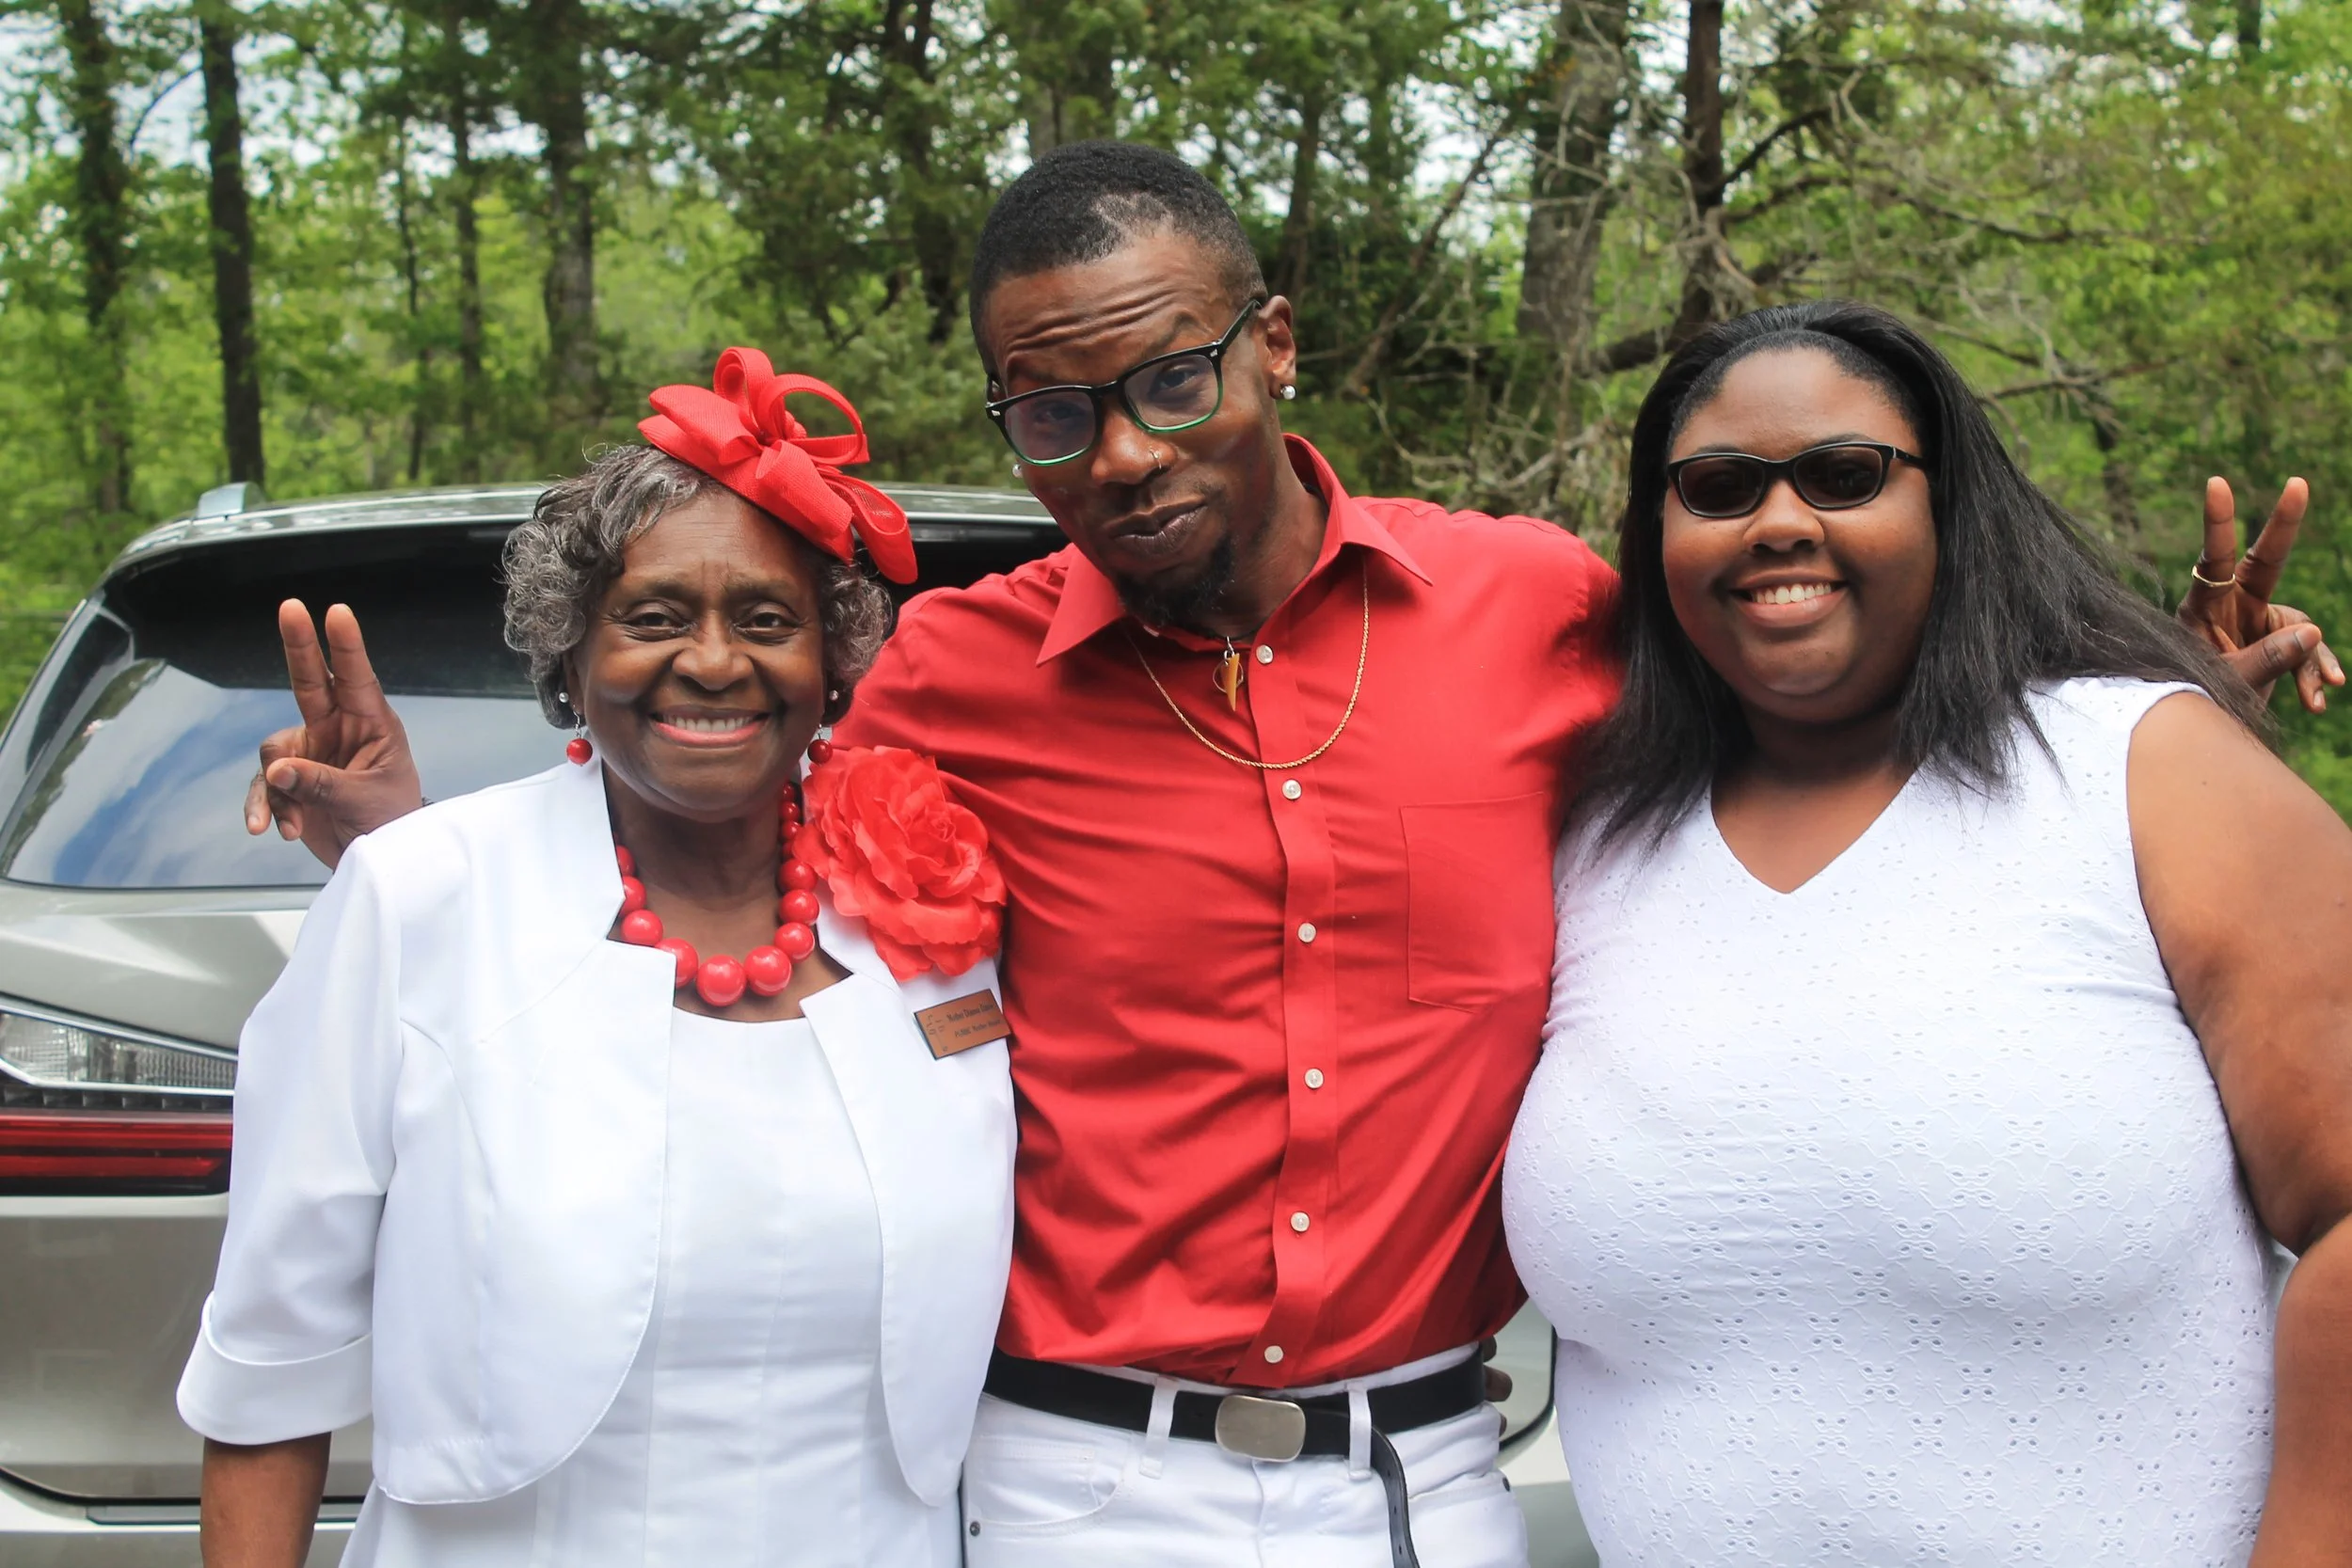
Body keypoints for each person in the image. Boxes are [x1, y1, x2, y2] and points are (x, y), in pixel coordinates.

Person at [239, 145, 2340, 1568]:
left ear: (1272, 346)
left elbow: (1798, 641)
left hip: (1436, 1471)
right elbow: (702, 818)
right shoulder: (944, 678)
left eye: (1169, 377)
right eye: (1049, 416)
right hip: (1067, 1474)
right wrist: (419, 851)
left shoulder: (1526, 606)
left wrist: (2148, 703)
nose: (1121, 451)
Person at [1502, 300, 2352, 1565]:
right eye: (1720, 485)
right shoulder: (1588, 842)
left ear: (1951, 506)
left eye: (1846, 474)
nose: (1780, 519)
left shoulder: (2146, 769)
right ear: (1658, 531)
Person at [181, 357, 1017, 1567]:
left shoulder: (923, 919)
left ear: (835, 666)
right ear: (569, 660)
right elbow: (270, 1372)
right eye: (657, 616)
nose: (716, 661)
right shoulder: (418, 899)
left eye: (767, 620)